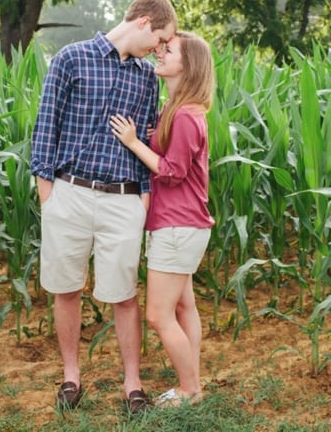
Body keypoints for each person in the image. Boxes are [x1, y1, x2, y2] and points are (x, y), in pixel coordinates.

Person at [30, 0, 177, 414]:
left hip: (124, 199)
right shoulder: (71, 59)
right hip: (68, 193)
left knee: (124, 294)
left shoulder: (148, 78)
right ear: (145, 21)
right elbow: (46, 127)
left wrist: (144, 201)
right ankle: (71, 376)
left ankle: (133, 383)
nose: (161, 49)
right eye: (161, 39)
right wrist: (49, 197)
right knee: (66, 289)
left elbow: (148, 140)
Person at [109, 31, 215, 407]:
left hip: (178, 226)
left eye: (168, 50)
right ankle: (193, 383)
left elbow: (171, 172)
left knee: (157, 314)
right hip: (180, 224)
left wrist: (134, 141)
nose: (160, 52)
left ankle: (190, 390)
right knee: (184, 306)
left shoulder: (185, 115)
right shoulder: (177, 110)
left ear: (188, 66)